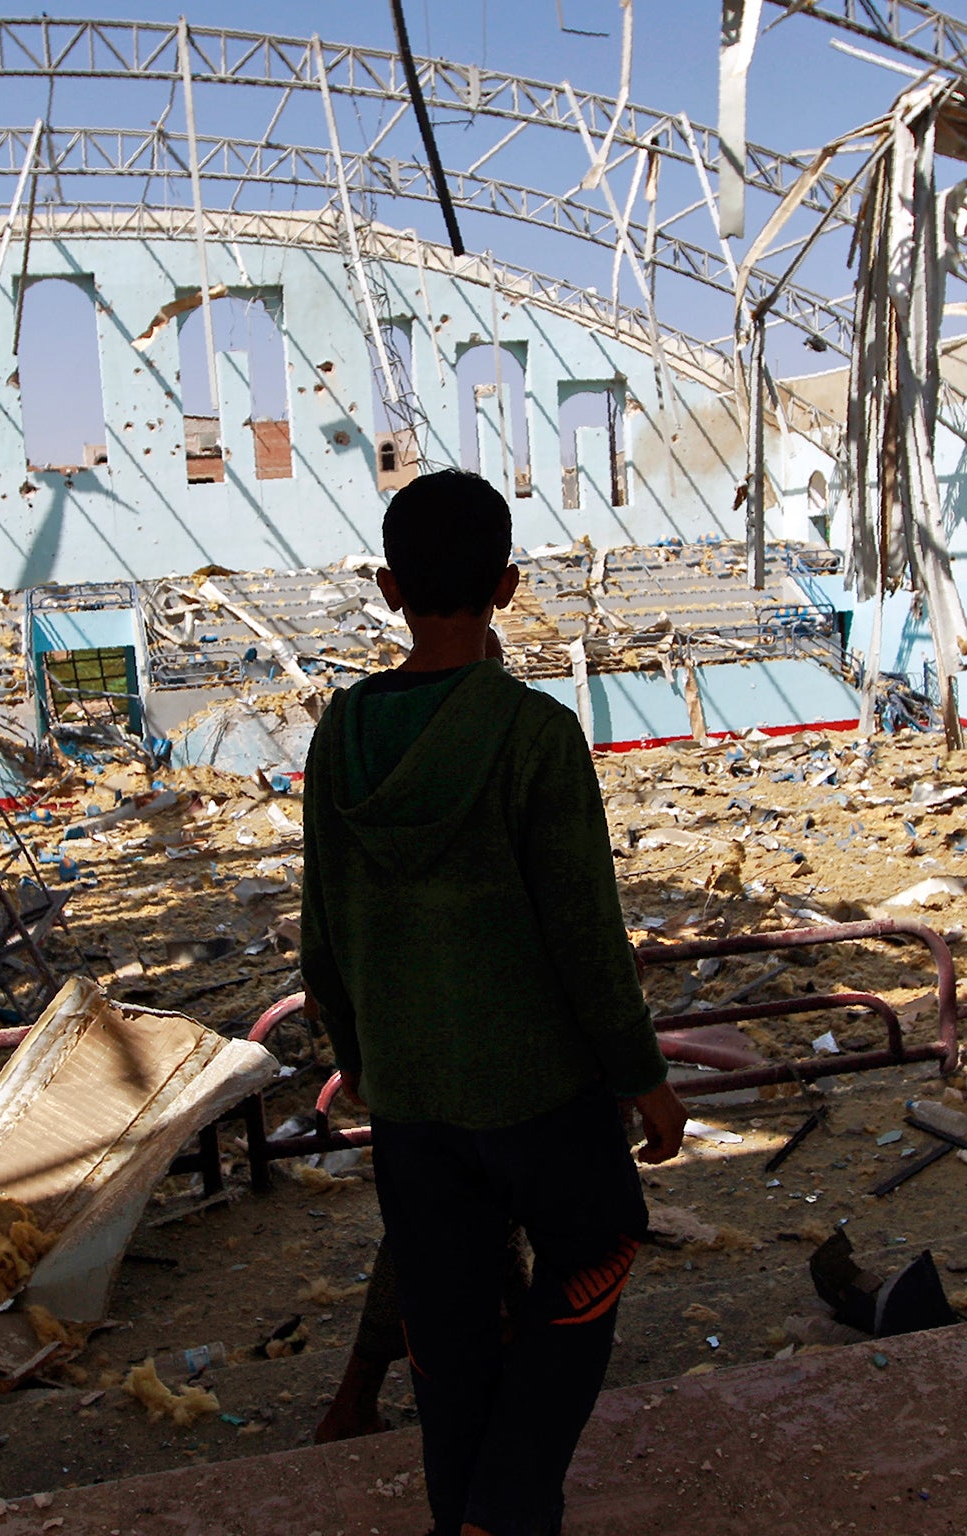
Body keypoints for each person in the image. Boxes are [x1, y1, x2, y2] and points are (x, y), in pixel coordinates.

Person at [301, 469, 687, 1536]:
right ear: (509, 587)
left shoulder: (338, 738)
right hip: (538, 1090)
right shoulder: (532, 737)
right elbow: (581, 934)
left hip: (412, 1096)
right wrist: (641, 1076)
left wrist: (368, 1061)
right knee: (602, 1241)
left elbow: (319, 936)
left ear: (387, 587)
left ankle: (460, 1515)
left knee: (449, 1323)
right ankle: (508, 1502)